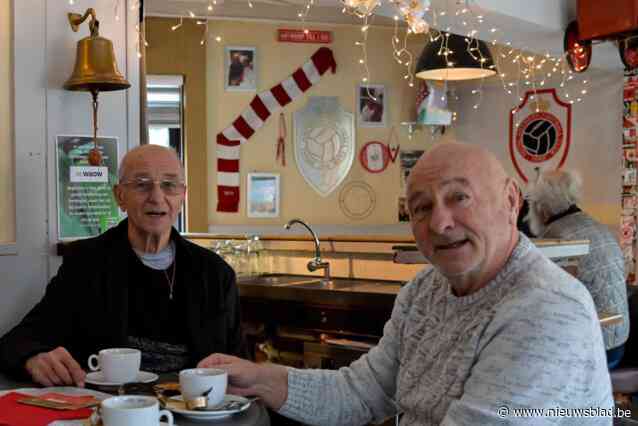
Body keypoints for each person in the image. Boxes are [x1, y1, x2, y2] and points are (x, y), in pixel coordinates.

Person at [198, 142, 612, 425]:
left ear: (510, 201)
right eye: (421, 207)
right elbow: (360, 391)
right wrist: (258, 377)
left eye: (458, 198)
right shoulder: (425, 290)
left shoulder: (546, 310)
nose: (439, 222)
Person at [0, 145, 244, 387]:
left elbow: (238, 363)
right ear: (119, 196)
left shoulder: (215, 273)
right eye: (142, 184)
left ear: (182, 196)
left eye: (169, 185)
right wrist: (33, 358)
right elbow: (19, 340)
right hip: (107, 408)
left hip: (193, 410)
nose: (157, 197)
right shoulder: (86, 263)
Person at [526, 168, 629, 369]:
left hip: (596, 352)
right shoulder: (599, 227)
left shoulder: (555, 237)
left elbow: (545, 302)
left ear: (542, 208)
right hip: (620, 344)